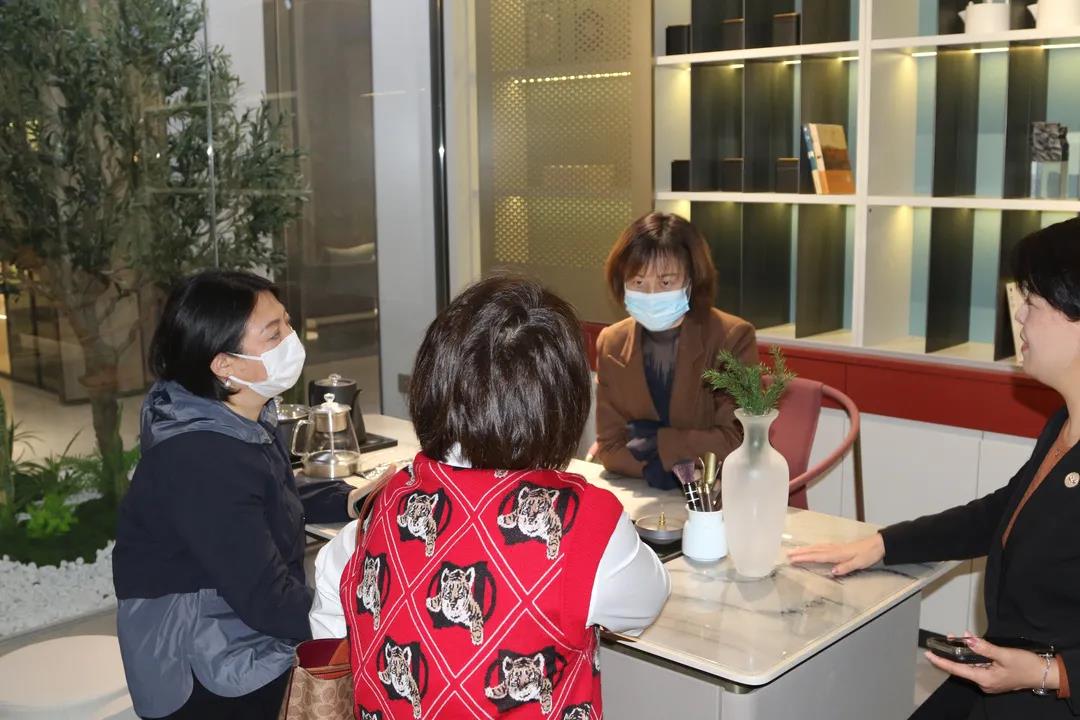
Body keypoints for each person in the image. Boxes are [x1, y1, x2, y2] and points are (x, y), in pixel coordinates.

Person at [308, 276, 671, 719]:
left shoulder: (383, 504)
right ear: (562, 400)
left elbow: (330, 604)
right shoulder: (585, 523)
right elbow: (644, 603)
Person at [789, 216, 1080, 719]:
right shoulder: (1063, 423)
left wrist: (1048, 673)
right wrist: (884, 544)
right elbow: (1001, 513)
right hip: (1004, 671)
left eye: (1032, 302)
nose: (1020, 317)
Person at [113, 270, 364, 719]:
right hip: (208, 664)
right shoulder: (202, 458)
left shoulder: (230, 415)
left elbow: (263, 494)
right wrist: (366, 614)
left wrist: (348, 499)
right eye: (274, 334)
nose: (292, 339)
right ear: (225, 365)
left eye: (287, 323)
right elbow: (268, 600)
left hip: (235, 625)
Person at [595, 211, 757, 489]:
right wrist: (667, 470)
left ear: (692, 280)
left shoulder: (732, 337)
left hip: (716, 496)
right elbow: (610, 449)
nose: (651, 294)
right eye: (638, 282)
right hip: (646, 493)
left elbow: (738, 440)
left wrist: (658, 441)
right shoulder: (611, 342)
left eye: (666, 282)